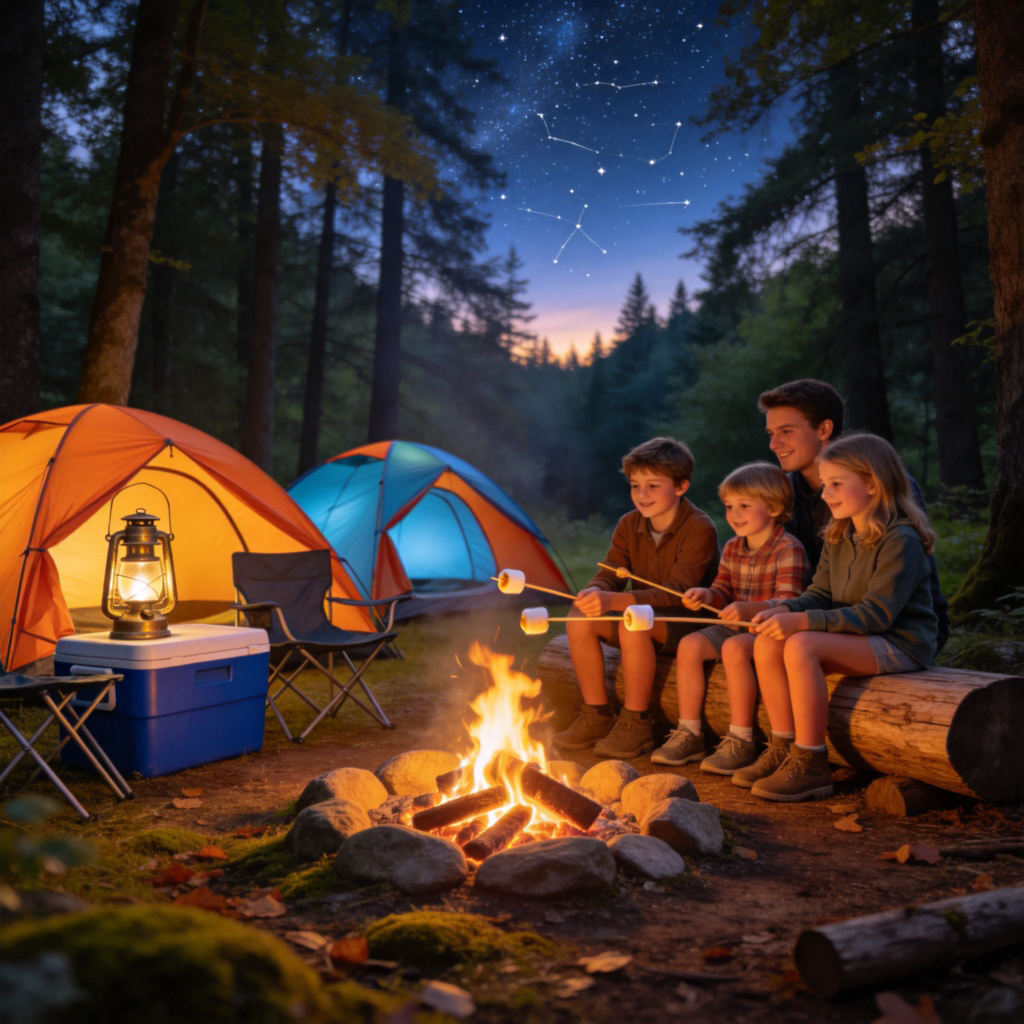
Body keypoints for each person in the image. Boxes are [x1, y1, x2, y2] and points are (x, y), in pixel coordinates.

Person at [740, 432, 940, 802]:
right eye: (824, 484)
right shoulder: (838, 533)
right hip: (859, 637)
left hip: (901, 642)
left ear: (872, 485)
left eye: (836, 484)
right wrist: (779, 610)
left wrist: (802, 623)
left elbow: (877, 614)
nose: (826, 493)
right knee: (768, 641)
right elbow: (820, 595)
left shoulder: (901, 540)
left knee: (800, 646)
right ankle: (783, 745)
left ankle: (812, 762)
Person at [551, 436, 720, 760]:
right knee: (579, 617)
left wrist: (617, 603)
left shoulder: (699, 527)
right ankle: (596, 713)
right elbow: (611, 572)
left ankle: (636, 722)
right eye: (635, 485)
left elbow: (677, 590)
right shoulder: (629, 524)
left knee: (633, 625)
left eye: (653, 486)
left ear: (681, 486)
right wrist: (596, 591)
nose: (642, 495)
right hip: (643, 613)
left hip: (688, 620)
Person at [757, 379, 949, 650]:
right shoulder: (784, 491)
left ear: (824, 429)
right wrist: (773, 609)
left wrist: (802, 621)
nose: (774, 444)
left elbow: (905, 587)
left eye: (786, 431)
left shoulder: (882, 488)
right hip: (821, 618)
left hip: (892, 629)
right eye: (771, 433)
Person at [650, 462, 811, 772]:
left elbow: (790, 602)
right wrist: (706, 596)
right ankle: (689, 732)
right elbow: (723, 588)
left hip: (769, 631)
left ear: (775, 507)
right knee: (690, 646)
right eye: (729, 506)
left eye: (744, 506)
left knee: (735, 648)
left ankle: (741, 739)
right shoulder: (734, 547)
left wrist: (749, 610)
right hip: (736, 626)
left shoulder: (789, 549)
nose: (733, 514)